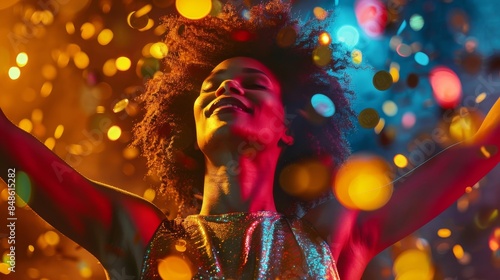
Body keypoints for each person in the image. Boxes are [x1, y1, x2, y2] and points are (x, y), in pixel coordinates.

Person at [1, 1, 499, 279]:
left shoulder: (335, 237)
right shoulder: (139, 236)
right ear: (191, 129)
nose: (226, 88)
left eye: (252, 84)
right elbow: (20, 157)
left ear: (288, 129)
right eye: (211, 85)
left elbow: (479, 151)